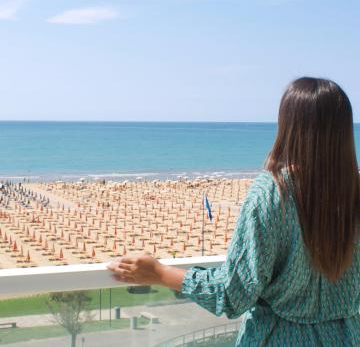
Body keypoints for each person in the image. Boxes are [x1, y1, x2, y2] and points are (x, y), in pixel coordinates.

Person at [107, 77, 360, 346]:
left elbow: (232, 294)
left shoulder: (273, 193)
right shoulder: (353, 192)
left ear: (288, 125)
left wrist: (158, 273)